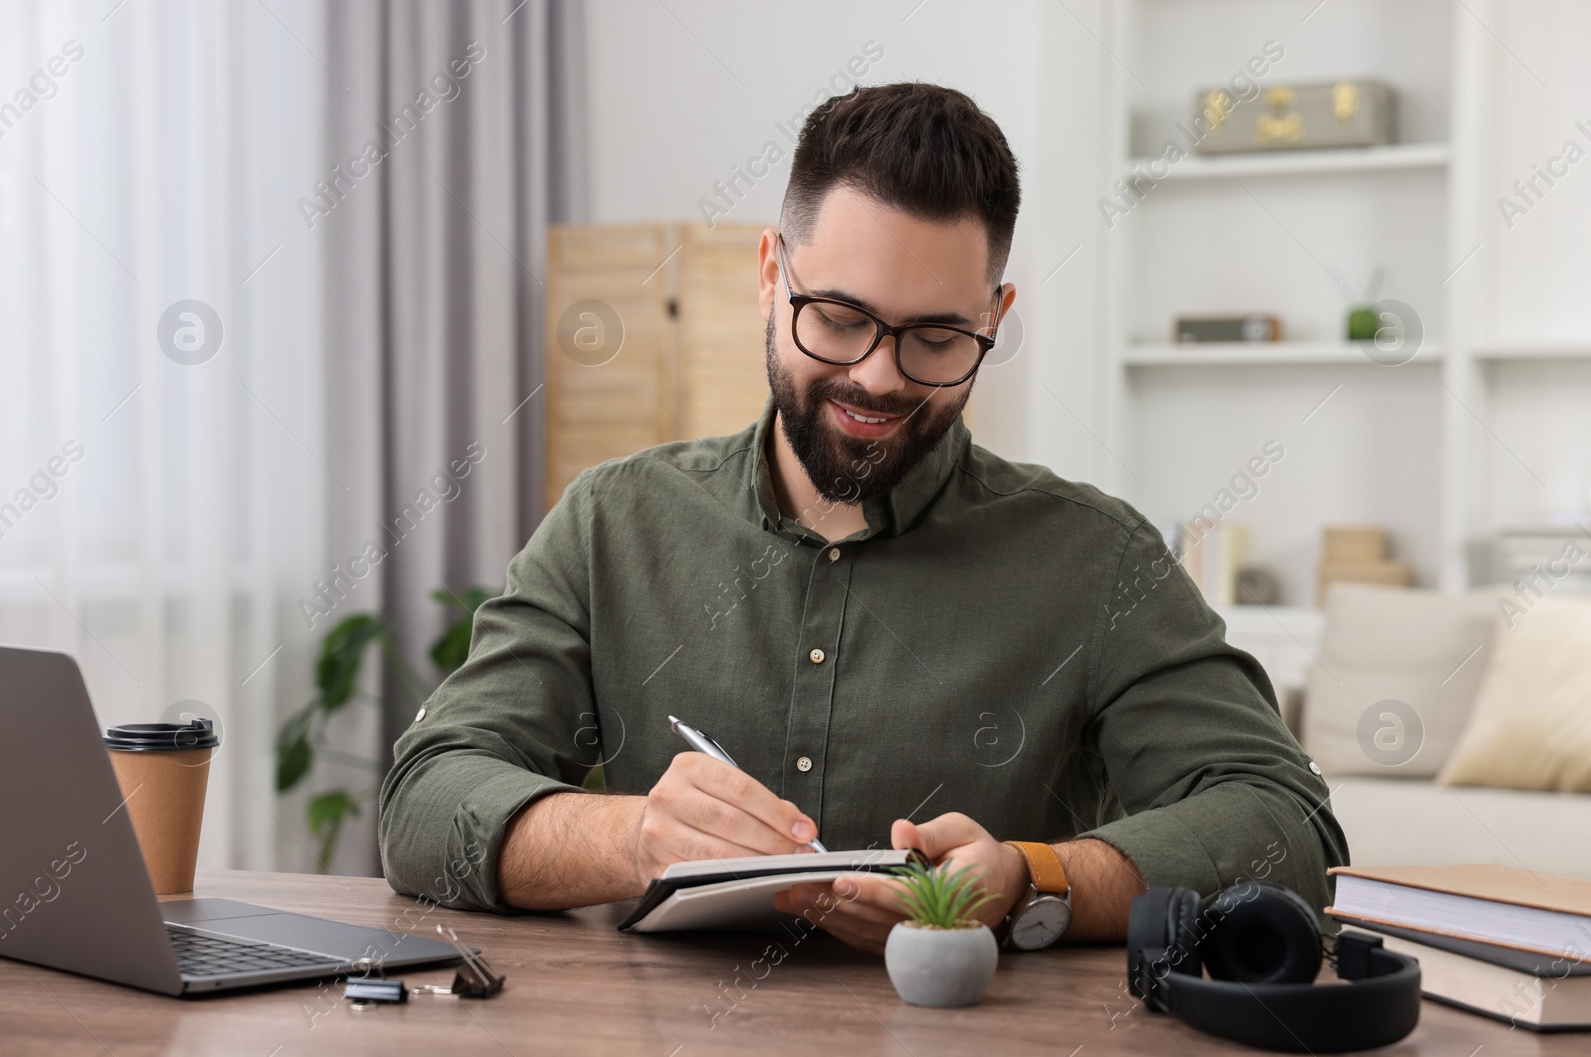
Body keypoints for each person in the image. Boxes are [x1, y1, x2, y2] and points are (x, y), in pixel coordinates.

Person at [379, 82, 1346, 955]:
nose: (877, 376)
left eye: (935, 336)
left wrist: (1034, 877)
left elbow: (1286, 824)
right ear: (770, 274)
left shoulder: (1097, 559)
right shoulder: (612, 522)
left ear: (994, 321)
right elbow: (426, 796)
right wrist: (629, 839)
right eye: (837, 317)